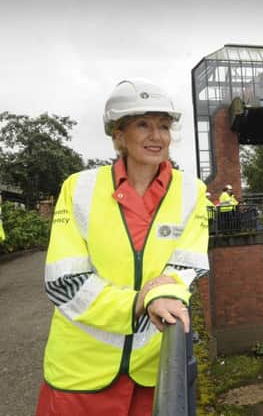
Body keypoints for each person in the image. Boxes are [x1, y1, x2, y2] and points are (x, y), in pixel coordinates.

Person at [36, 79, 210, 416]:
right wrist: (141, 300)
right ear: (119, 135)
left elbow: (188, 266)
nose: (156, 136)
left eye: (163, 126)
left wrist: (166, 292)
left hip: (152, 373)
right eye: (142, 124)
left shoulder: (193, 191)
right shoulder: (78, 189)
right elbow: (64, 283)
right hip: (80, 376)